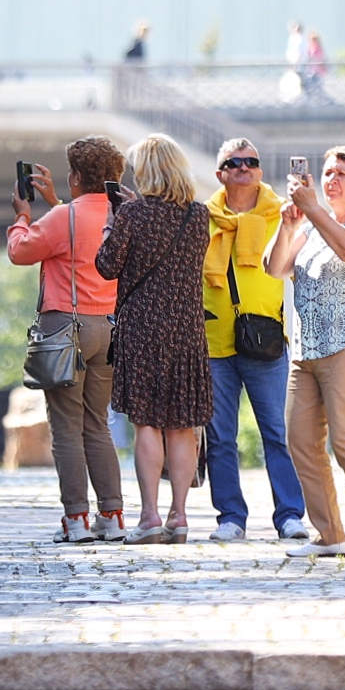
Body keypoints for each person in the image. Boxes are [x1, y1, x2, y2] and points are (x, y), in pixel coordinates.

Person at [264, 144, 345, 559]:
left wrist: (315, 211)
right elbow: (274, 267)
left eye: (341, 173)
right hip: (306, 350)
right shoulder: (310, 226)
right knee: (300, 440)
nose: (331, 180)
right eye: (326, 173)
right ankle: (330, 534)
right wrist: (289, 224)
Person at [8, 136, 126, 543]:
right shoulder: (120, 212)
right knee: (98, 425)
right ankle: (111, 515)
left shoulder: (63, 219)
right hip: (109, 329)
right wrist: (58, 203)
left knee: (65, 428)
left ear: (75, 175)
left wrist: (23, 216)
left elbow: (21, 252)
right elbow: (90, 233)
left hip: (66, 329)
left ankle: (75, 519)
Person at [95, 133, 211, 544]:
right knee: (182, 424)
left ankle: (149, 516)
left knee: (147, 422)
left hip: (143, 328)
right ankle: (179, 515)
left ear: (146, 171)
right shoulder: (198, 216)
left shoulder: (132, 214)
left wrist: (114, 221)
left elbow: (107, 267)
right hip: (186, 328)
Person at [200, 138, 307, 543]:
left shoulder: (283, 214)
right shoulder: (204, 218)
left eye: (251, 162)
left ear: (261, 171)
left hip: (265, 340)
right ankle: (230, 517)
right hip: (214, 341)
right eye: (234, 162)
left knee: (278, 433)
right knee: (220, 438)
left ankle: (290, 515)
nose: (244, 167)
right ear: (220, 173)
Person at [303, 30, 329, 103]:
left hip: (316, 70)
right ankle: (311, 98)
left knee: (316, 85)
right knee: (309, 85)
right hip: (310, 70)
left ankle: (320, 98)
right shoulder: (309, 47)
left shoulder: (318, 49)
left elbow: (320, 58)